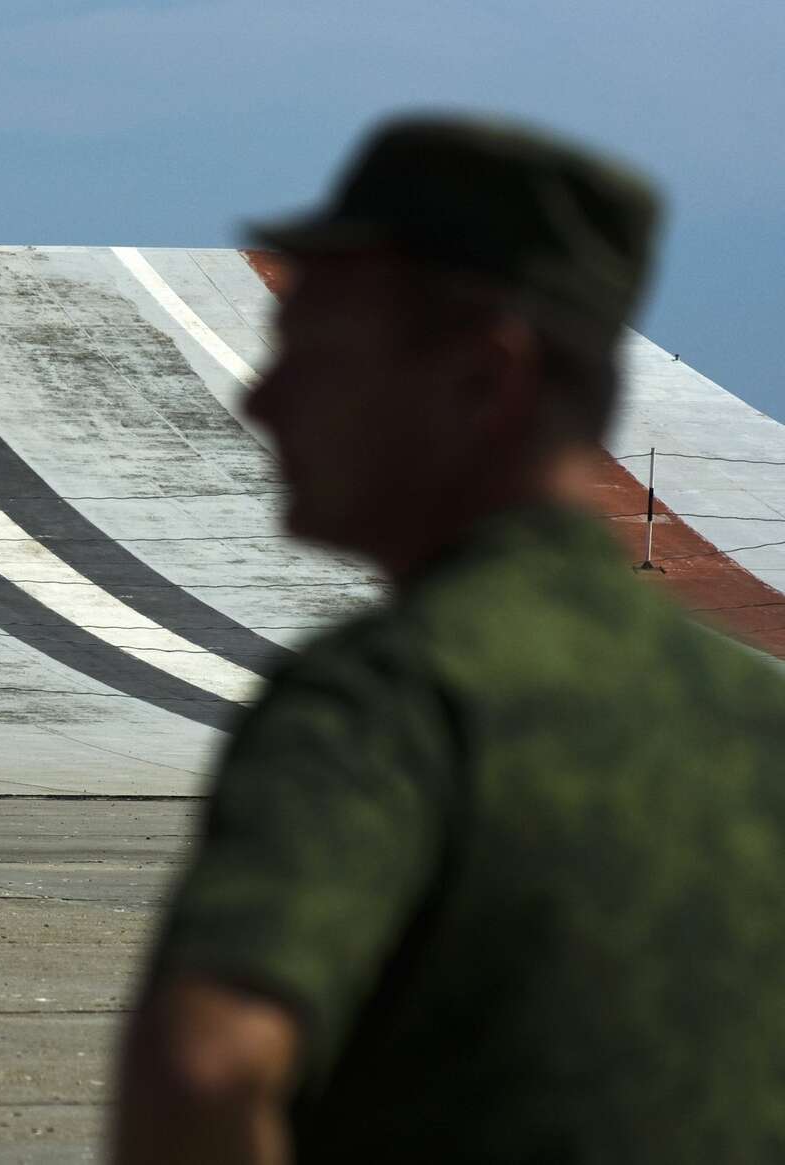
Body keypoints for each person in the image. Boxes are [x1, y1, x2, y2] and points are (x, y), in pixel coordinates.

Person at [111, 114, 785, 1164]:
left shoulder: (390, 703)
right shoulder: (752, 717)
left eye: (316, 352)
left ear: (482, 375)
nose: (261, 398)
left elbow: (207, 1065)